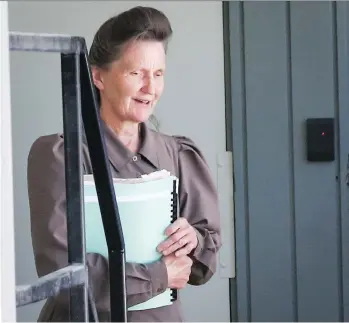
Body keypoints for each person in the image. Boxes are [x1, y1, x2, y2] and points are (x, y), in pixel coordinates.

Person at [27, 6, 221, 322]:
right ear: (98, 76)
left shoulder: (179, 153)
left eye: (158, 74)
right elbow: (61, 275)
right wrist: (158, 275)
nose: (151, 88)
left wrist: (192, 241)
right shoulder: (60, 155)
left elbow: (203, 264)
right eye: (136, 73)